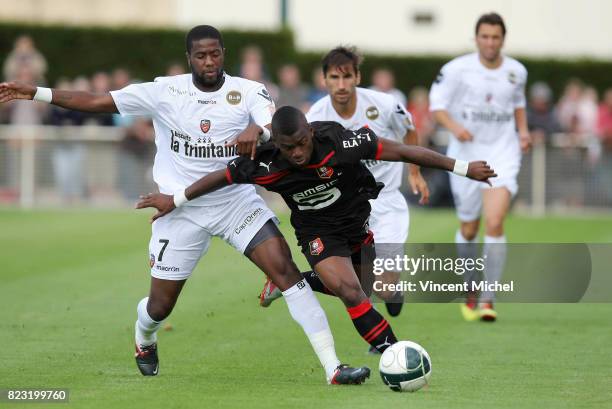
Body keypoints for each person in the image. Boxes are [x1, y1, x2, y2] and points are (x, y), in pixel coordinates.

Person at [0, 25, 370, 385]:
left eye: (215, 54)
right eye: (201, 55)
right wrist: (35, 92)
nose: (209, 61)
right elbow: (101, 101)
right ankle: (144, 337)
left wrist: (259, 130)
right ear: (189, 58)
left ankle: (333, 368)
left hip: (234, 203)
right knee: (159, 307)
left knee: (286, 272)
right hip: (179, 209)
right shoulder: (165, 92)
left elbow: (274, 124)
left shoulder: (247, 91)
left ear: (224, 54)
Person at [135, 106, 496, 356]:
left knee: (369, 284)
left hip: (356, 223)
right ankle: (396, 353)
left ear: (310, 132)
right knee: (352, 292)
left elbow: (402, 151)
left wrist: (463, 167)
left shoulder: (342, 143)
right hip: (317, 233)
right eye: (287, 147)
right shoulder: (265, 163)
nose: (296, 153)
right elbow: (221, 177)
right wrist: (175, 199)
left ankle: (291, 281)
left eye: (302, 143)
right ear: (275, 142)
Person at [293, 47, 429, 331]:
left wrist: (414, 172)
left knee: (384, 286)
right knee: (359, 283)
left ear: (357, 77)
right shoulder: (315, 117)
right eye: (334, 77)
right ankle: (379, 339)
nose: (341, 85)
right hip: (348, 210)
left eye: (346, 77)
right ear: (324, 80)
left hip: (387, 202)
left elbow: (409, 131)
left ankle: (393, 293)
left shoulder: (384, 104)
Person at [428, 12, 531, 322]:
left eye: (495, 37)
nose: (490, 42)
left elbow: (518, 105)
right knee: (469, 228)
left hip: (504, 152)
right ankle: (471, 288)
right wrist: (455, 127)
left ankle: (488, 299)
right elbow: (437, 107)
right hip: (467, 157)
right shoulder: (456, 69)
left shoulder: (516, 71)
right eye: (484, 36)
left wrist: (523, 132)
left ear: (503, 39)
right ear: (476, 39)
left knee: (496, 221)